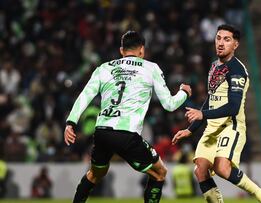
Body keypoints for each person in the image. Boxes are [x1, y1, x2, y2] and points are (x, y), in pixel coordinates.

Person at [64, 31, 192, 203]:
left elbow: (84, 96)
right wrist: (184, 92)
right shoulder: (150, 67)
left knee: (95, 173)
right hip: (126, 134)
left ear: (121, 50)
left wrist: (70, 123)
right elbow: (169, 105)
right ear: (142, 50)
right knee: (159, 172)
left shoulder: (104, 68)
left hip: (102, 131)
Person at [172, 24, 261, 203]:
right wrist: (191, 129)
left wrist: (202, 115)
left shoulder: (237, 71)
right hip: (212, 127)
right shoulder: (214, 66)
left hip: (231, 126)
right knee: (200, 170)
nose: (221, 43)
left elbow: (233, 107)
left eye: (226, 40)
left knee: (222, 168)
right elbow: (210, 100)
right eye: (218, 38)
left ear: (235, 45)